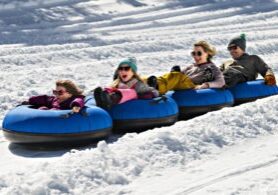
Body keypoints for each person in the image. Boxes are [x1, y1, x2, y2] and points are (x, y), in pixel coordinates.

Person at [147, 40, 225, 94]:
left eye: (199, 53)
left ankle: (156, 87)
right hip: (183, 82)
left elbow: (221, 82)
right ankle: (145, 83)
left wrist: (206, 85)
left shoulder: (212, 68)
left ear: (207, 53)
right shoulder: (192, 66)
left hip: (191, 85)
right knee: (175, 73)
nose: (196, 56)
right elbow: (180, 74)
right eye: (193, 53)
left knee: (177, 76)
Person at [94, 57, 159, 110]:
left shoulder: (137, 84)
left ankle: (109, 100)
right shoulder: (117, 82)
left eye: (126, 69)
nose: (123, 71)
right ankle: (103, 99)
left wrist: (149, 94)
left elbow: (152, 91)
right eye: (120, 69)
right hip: (115, 98)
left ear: (133, 72)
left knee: (131, 92)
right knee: (110, 89)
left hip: (129, 101)